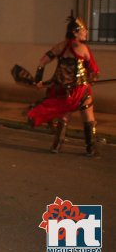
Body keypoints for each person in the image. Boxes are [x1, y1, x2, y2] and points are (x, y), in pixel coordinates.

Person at [27, 15, 100, 157]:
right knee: (88, 116)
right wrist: (92, 77)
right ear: (75, 32)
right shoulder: (82, 48)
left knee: (64, 116)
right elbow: (94, 70)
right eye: (83, 30)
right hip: (80, 90)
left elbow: (42, 62)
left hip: (62, 89)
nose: (86, 32)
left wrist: (38, 80)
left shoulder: (59, 46)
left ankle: (56, 146)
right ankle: (91, 149)